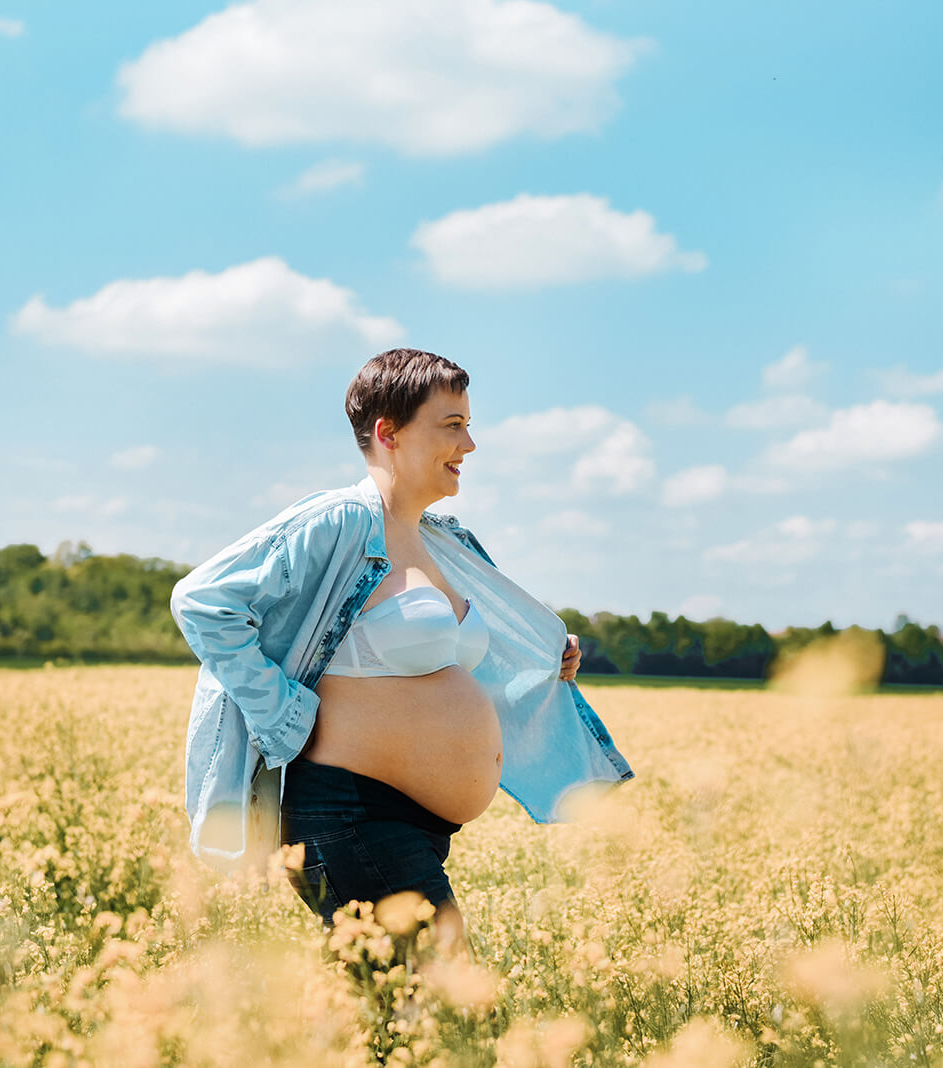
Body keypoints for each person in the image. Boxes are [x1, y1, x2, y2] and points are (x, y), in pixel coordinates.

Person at [170, 348, 634, 957]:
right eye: (452, 426)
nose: (469, 445)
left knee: (399, 1021)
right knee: (441, 1010)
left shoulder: (444, 542)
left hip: (410, 824)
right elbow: (202, 601)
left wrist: (549, 656)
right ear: (389, 433)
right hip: (347, 815)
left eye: (468, 425)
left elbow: (449, 660)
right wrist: (285, 716)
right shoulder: (338, 522)